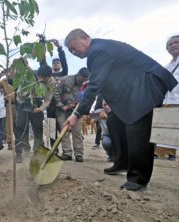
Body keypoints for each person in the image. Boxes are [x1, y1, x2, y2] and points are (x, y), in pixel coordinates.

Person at [64, 29, 177, 191]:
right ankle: (121, 162)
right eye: (70, 51)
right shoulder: (99, 51)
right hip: (133, 89)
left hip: (147, 84)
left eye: (74, 47)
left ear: (85, 38)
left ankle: (138, 178)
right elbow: (110, 80)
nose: (74, 52)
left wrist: (76, 114)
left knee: (136, 128)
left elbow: (96, 84)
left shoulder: (98, 50)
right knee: (115, 120)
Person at [15, 64, 56, 162]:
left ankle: (37, 152)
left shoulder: (51, 82)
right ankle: (19, 153)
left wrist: (41, 108)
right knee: (21, 128)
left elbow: (47, 99)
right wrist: (27, 89)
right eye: (39, 77)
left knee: (38, 128)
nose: (40, 79)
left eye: (43, 78)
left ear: (49, 77)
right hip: (23, 103)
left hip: (37, 104)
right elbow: (19, 95)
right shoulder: (27, 77)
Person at [54, 67, 90, 162]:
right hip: (62, 110)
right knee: (63, 131)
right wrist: (61, 106)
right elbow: (56, 93)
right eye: (80, 80)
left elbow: (87, 99)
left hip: (76, 111)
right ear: (77, 74)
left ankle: (78, 153)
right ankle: (67, 153)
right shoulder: (64, 80)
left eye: (84, 81)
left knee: (77, 132)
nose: (81, 82)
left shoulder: (87, 85)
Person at [155, 35, 179, 163]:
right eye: (170, 44)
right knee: (167, 127)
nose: (174, 45)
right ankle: (168, 153)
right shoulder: (168, 65)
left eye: (177, 42)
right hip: (168, 100)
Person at [43, 39, 68, 153]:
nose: (56, 64)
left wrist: (59, 49)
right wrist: (43, 45)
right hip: (50, 104)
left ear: (61, 65)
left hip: (61, 105)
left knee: (62, 128)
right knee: (51, 128)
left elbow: (64, 61)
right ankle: (54, 150)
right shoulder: (49, 76)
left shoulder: (64, 73)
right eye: (54, 63)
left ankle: (66, 150)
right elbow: (43, 64)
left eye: (58, 63)